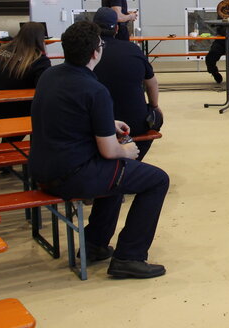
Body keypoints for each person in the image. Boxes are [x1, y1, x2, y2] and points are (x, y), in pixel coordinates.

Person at [30, 20, 170, 279]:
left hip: (42, 169)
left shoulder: (51, 75)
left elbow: (68, 117)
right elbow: (109, 151)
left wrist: (107, 123)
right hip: (71, 175)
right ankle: (129, 257)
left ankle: (94, 244)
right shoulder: (94, 89)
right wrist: (127, 152)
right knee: (156, 179)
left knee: (117, 178)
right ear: (96, 52)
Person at [92, 7, 162, 161]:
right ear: (117, 28)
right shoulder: (133, 49)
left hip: (96, 124)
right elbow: (152, 83)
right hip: (134, 124)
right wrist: (154, 106)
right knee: (157, 117)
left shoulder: (89, 53)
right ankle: (134, 159)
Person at [0, 21, 51, 143]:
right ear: (40, 39)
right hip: (14, 111)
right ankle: (31, 153)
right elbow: (43, 89)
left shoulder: (2, 51)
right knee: (42, 115)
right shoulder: (38, 60)